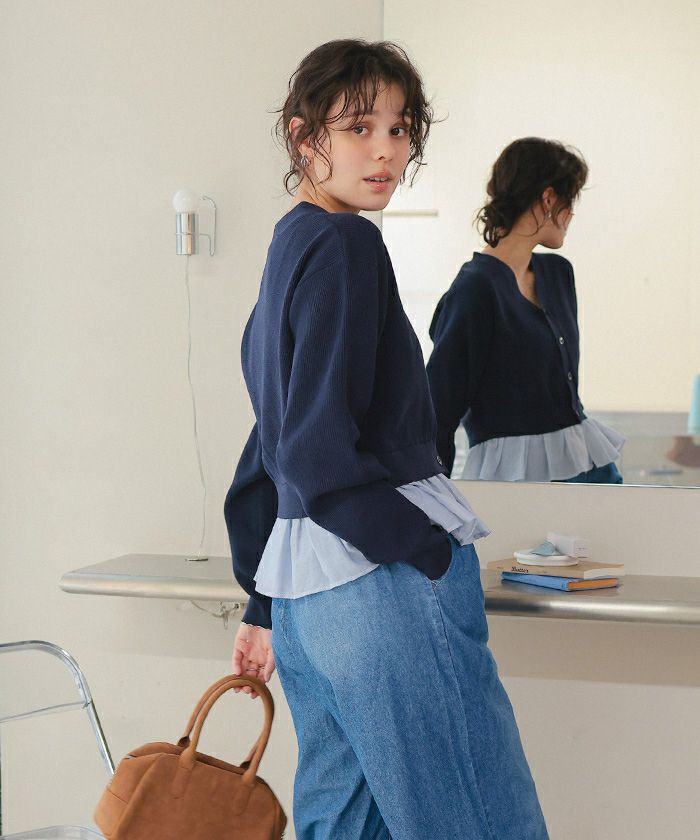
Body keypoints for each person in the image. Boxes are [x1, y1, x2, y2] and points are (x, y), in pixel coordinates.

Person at [224, 40, 549, 840]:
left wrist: (264, 600)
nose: (386, 151)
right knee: (475, 820)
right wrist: (423, 547)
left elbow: (270, 445)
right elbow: (310, 451)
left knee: (340, 825)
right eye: (359, 127)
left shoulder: (290, 244)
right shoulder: (347, 244)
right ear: (305, 137)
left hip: (309, 606)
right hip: (381, 588)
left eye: (400, 129)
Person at [427, 137, 625, 483]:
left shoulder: (558, 274)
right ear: (548, 198)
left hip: (587, 467)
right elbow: (438, 412)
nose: (571, 213)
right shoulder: (475, 290)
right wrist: (435, 501)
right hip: (515, 479)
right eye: (570, 200)